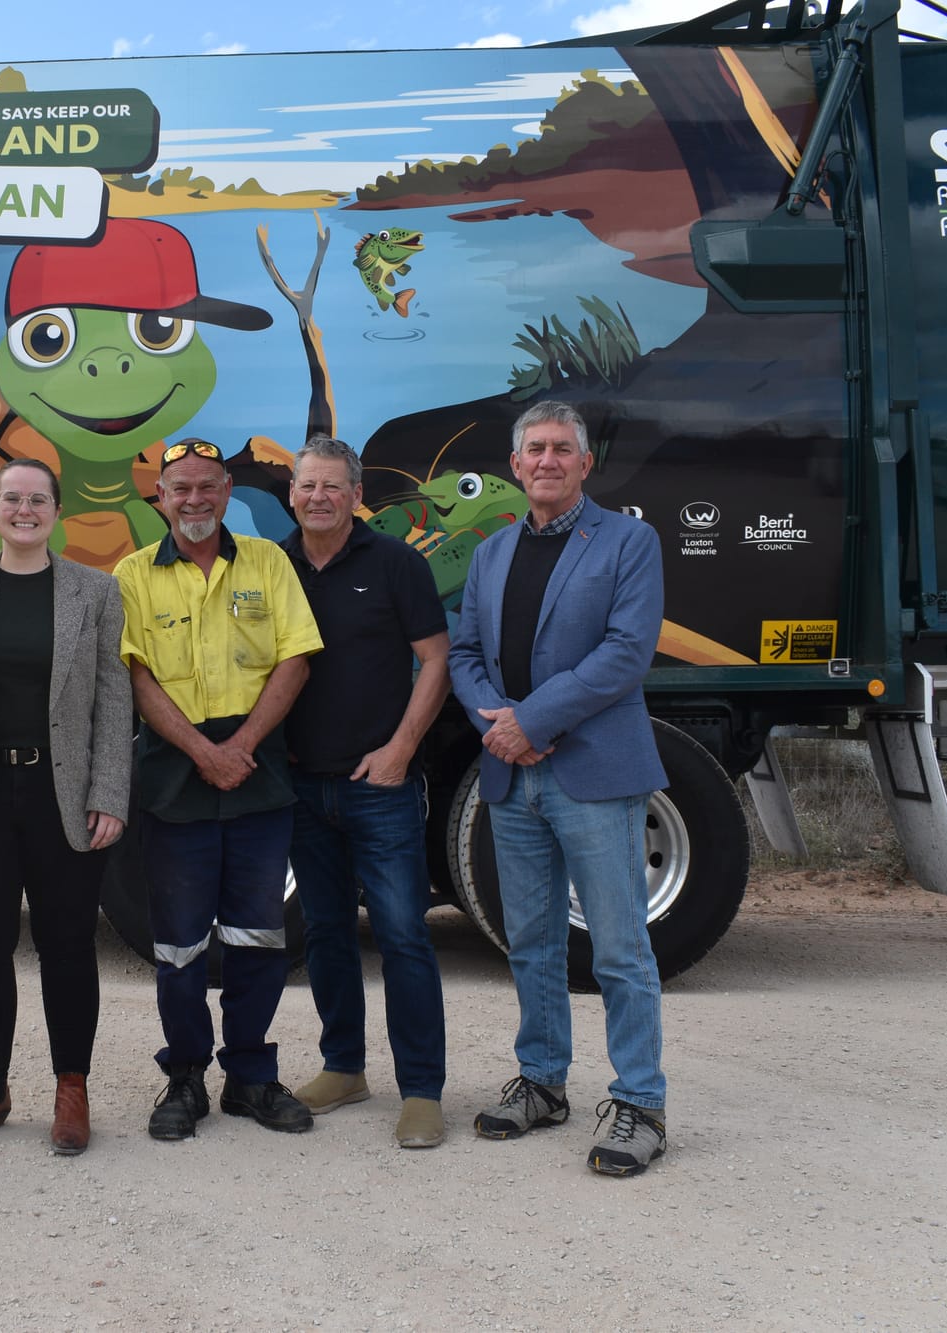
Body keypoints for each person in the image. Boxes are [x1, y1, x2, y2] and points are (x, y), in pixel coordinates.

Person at [446, 399, 670, 1176]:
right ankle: (541, 1083)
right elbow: (465, 651)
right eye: (533, 448)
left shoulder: (629, 541)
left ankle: (640, 1103)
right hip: (514, 775)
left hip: (594, 774)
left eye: (560, 448)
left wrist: (532, 721)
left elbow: (625, 652)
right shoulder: (490, 553)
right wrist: (497, 723)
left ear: (584, 463)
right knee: (532, 945)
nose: (546, 459)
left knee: (618, 950)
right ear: (515, 465)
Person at [0, 457, 133, 1156]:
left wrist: (108, 793)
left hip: (63, 797)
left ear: (56, 510)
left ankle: (72, 1086)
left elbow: (112, 699)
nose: (24, 510)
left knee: (68, 946)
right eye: (12, 499)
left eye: (37, 499)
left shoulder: (96, 592)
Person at [113, 438, 323, 1140]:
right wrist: (204, 750)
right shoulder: (133, 574)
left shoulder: (269, 562)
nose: (195, 499)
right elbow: (138, 676)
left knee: (260, 935)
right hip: (178, 775)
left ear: (227, 490)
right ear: (161, 498)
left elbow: (295, 658)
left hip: (257, 772)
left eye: (207, 486)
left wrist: (240, 747)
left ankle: (251, 1077)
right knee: (177, 943)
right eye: (182, 489)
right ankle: (185, 1077)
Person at [279, 435, 452, 1149]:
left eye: (331, 486)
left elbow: (436, 658)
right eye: (307, 485)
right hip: (300, 785)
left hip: (378, 785)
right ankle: (343, 1066)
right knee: (323, 933)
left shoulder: (396, 563)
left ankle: (421, 1089)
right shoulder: (272, 563)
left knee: (405, 935)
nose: (318, 497)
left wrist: (402, 749)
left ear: (356, 494)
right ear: (292, 493)